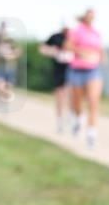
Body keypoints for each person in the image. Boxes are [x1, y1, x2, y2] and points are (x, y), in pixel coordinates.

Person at [66, 9, 105, 148]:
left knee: (93, 101)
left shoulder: (96, 33)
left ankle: (91, 133)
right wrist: (82, 52)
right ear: (84, 17)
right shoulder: (76, 31)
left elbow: (100, 49)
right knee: (77, 102)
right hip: (77, 70)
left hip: (93, 70)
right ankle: (78, 118)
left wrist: (102, 57)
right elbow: (68, 46)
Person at [39, 24, 74, 133]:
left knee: (70, 94)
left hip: (73, 69)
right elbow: (42, 48)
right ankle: (60, 121)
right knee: (60, 95)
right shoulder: (56, 37)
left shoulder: (75, 36)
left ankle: (70, 117)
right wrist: (51, 52)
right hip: (59, 70)